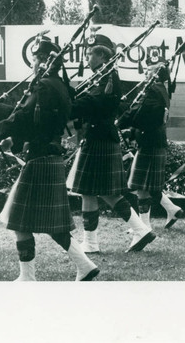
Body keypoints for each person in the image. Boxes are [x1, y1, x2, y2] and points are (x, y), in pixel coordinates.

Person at [0, 37, 99, 281]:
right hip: (47, 155)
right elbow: (40, 123)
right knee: (45, 223)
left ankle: (30, 277)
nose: (33, 64)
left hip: (41, 158)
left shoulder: (45, 86)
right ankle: (84, 265)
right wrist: (13, 141)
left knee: (18, 220)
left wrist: (0, 130)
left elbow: (24, 116)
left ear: (45, 60)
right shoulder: (60, 87)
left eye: (35, 59)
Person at [67, 34, 155, 253]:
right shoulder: (101, 76)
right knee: (96, 192)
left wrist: (69, 103)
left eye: (90, 54)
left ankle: (134, 232)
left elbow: (97, 103)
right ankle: (99, 240)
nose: (87, 59)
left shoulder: (107, 78)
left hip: (100, 138)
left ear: (102, 55)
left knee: (98, 191)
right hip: (98, 137)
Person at [116, 47, 183, 230]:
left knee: (141, 186)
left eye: (150, 69)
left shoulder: (153, 89)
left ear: (157, 74)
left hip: (150, 142)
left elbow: (141, 113)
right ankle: (171, 209)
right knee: (144, 185)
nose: (145, 72)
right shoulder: (161, 89)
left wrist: (123, 123)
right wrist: (133, 130)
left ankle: (144, 225)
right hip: (153, 140)